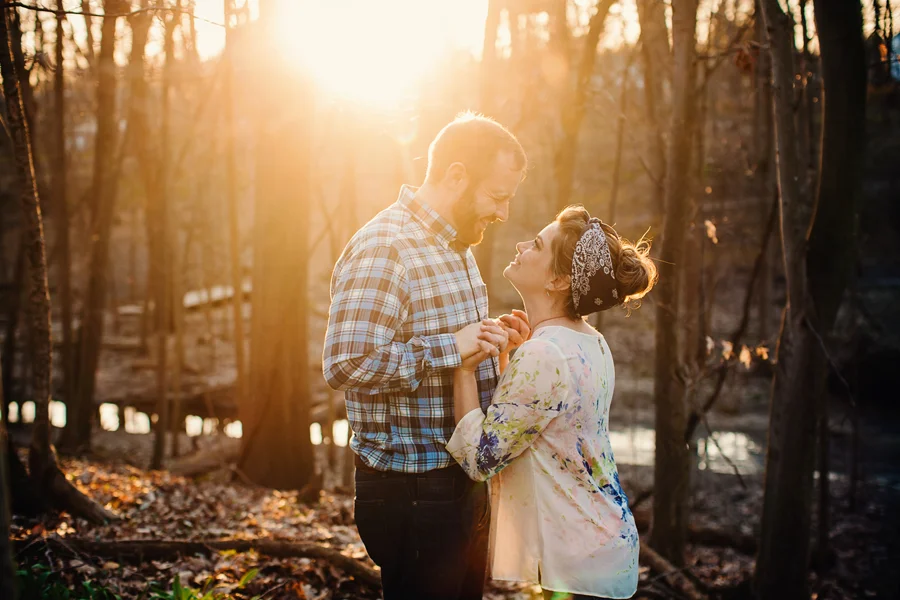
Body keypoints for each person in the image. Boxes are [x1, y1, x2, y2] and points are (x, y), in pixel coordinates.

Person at [322, 113, 531, 600]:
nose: (502, 213)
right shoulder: (385, 246)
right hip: (412, 492)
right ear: (457, 175)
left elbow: (444, 338)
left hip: (460, 482)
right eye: (497, 196)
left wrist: (490, 335)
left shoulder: (455, 246)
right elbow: (345, 363)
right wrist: (448, 348)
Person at [447, 206, 658, 600]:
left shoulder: (544, 354)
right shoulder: (590, 341)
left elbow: (481, 460)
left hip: (577, 563)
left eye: (537, 245)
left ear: (559, 280)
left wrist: (463, 370)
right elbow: (541, 428)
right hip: (600, 545)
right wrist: (510, 358)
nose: (521, 245)